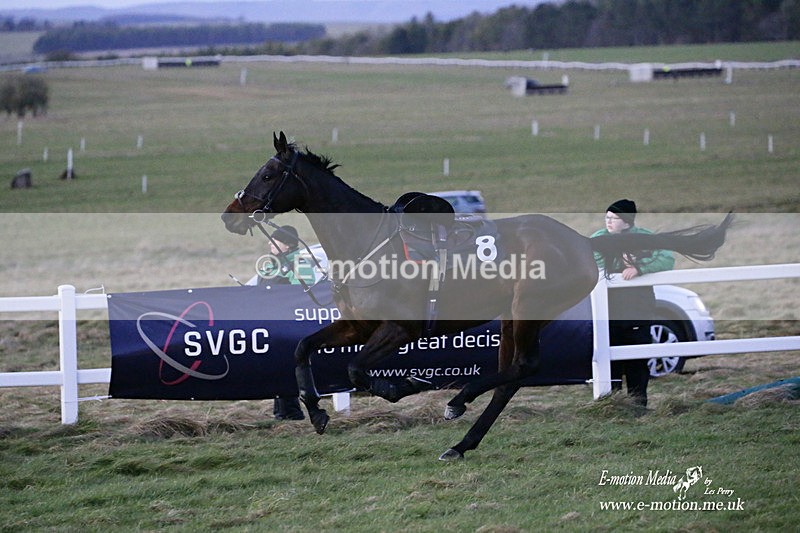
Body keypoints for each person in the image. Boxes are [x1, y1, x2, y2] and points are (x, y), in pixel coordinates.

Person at [591, 199, 675, 406]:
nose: (608, 222)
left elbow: (667, 259)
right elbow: (596, 261)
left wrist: (639, 268)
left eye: (614, 218)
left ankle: (639, 406)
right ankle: (612, 406)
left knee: (638, 361)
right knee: (611, 363)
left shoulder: (646, 238)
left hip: (639, 310)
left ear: (627, 221)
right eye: (607, 217)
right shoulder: (598, 239)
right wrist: (624, 263)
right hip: (608, 313)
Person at [261, 225, 308, 421]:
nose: (270, 244)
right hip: (273, 320)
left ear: (288, 244)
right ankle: (283, 411)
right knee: (278, 366)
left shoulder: (301, 262)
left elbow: (304, 291)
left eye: (275, 240)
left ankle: (290, 412)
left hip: (289, 323)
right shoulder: (272, 263)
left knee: (286, 365)